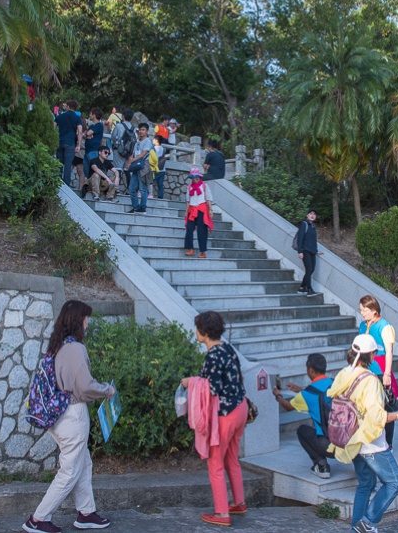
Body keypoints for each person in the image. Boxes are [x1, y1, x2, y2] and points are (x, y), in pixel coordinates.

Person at [23, 300, 115, 533]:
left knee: (82, 462)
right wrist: (107, 390)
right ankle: (38, 519)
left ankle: (86, 513)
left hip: (59, 416)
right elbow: (84, 387)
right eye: (86, 319)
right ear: (78, 321)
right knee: (71, 470)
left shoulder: (59, 346)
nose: (87, 323)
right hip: (72, 415)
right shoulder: (75, 349)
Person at [328, 334, 398, 533]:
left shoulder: (343, 374)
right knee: (394, 482)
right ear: (371, 355)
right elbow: (377, 417)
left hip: (350, 438)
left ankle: (356, 529)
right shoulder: (370, 381)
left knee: (365, 484)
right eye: (375, 352)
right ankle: (367, 522)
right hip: (370, 442)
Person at [180, 311, 248, 527]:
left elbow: (212, 387)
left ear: (204, 332)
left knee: (215, 462)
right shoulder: (228, 348)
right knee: (232, 458)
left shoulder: (212, 355)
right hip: (241, 408)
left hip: (225, 414)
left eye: (197, 328)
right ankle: (239, 502)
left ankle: (222, 514)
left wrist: (190, 381)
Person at [272, 353, 334, 478]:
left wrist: (278, 395)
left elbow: (288, 406)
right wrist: (302, 390)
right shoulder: (335, 383)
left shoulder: (307, 394)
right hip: (347, 442)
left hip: (328, 445)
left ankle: (321, 466)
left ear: (310, 370)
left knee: (302, 430)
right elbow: (320, 394)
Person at [359, 295, 398, 448]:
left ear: (374, 310)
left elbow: (389, 351)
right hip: (366, 369)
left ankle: (388, 442)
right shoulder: (363, 325)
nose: (363, 313)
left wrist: (387, 374)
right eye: (361, 310)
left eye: (365, 310)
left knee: (386, 406)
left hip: (381, 369)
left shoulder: (385, 326)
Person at [183, 167, 213, 258]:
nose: (195, 180)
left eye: (196, 178)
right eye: (193, 178)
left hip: (202, 209)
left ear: (199, 177)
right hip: (192, 209)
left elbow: (208, 198)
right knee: (189, 228)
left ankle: (203, 252)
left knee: (202, 230)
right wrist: (186, 212)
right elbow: (188, 200)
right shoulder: (189, 187)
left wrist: (210, 210)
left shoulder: (204, 186)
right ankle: (190, 249)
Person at [54, 100, 84, 187]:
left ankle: (56, 182)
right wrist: (78, 144)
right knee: (68, 164)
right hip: (70, 143)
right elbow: (80, 131)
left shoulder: (60, 116)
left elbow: (53, 128)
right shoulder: (77, 118)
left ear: (68, 106)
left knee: (59, 163)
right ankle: (66, 185)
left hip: (60, 142)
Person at [125, 123, 153, 214]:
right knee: (132, 188)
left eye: (143, 130)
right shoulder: (137, 141)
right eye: (140, 129)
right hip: (136, 165)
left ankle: (143, 207)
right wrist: (129, 161)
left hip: (144, 165)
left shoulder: (148, 141)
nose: (141, 131)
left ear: (147, 131)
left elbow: (143, 154)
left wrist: (132, 161)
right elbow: (133, 153)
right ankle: (135, 207)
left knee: (142, 188)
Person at [294, 209, 321, 297]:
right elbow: (300, 238)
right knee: (309, 269)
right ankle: (309, 289)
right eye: (311, 214)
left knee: (311, 269)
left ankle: (302, 287)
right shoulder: (304, 224)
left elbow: (313, 240)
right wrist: (300, 251)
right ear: (307, 215)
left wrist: (316, 250)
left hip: (312, 251)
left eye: (314, 214)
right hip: (305, 251)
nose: (312, 215)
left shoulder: (313, 226)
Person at [79, 107, 104, 196]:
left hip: (94, 151)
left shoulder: (99, 125)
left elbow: (88, 134)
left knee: (94, 171)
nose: (89, 115)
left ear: (94, 115)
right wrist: (87, 135)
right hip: (87, 151)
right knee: (86, 171)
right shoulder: (92, 126)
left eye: (90, 113)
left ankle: (96, 191)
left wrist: (87, 134)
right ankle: (89, 187)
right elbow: (86, 135)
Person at [152, 134, 167, 200]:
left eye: (154, 139)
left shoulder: (154, 149)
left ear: (156, 140)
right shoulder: (163, 149)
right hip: (162, 170)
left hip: (155, 169)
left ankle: (149, 194)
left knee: (150, 183)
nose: (153, 141)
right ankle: (160, 196)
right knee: (160, 184)